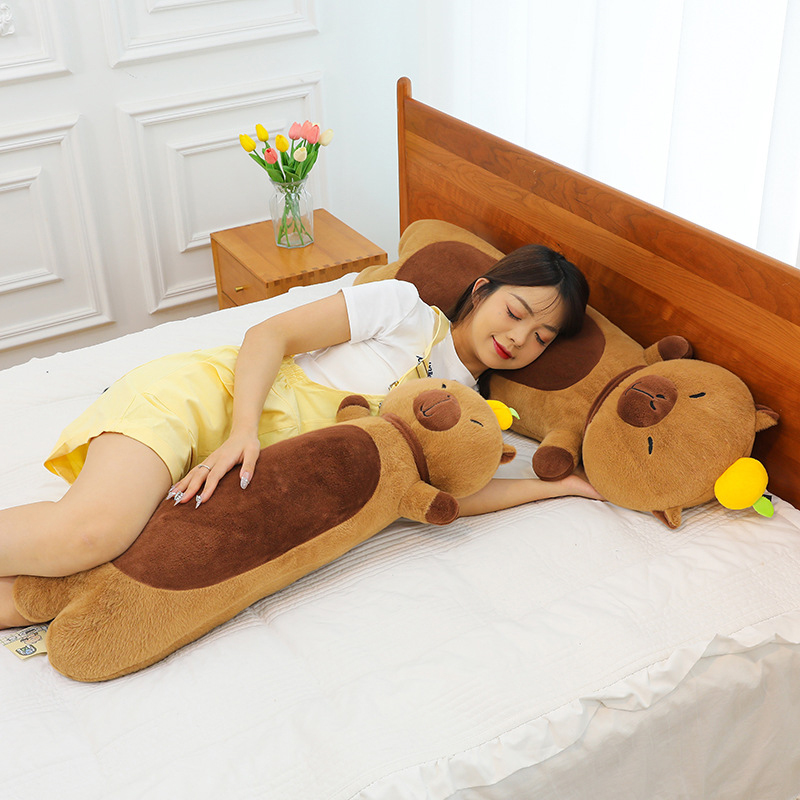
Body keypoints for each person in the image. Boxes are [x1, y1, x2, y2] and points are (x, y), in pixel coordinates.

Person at [0, 244, 602, 628]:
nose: (519, 339)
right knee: (91, 535)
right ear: (482, 291)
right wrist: (242, 432)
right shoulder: (404, 309)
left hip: (248, 480)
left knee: (92, 581)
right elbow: (269, 335)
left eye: (542, 337)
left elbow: (446, 495)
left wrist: (561, 487)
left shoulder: (470, 413)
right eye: (516, 312)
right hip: (209, 403)